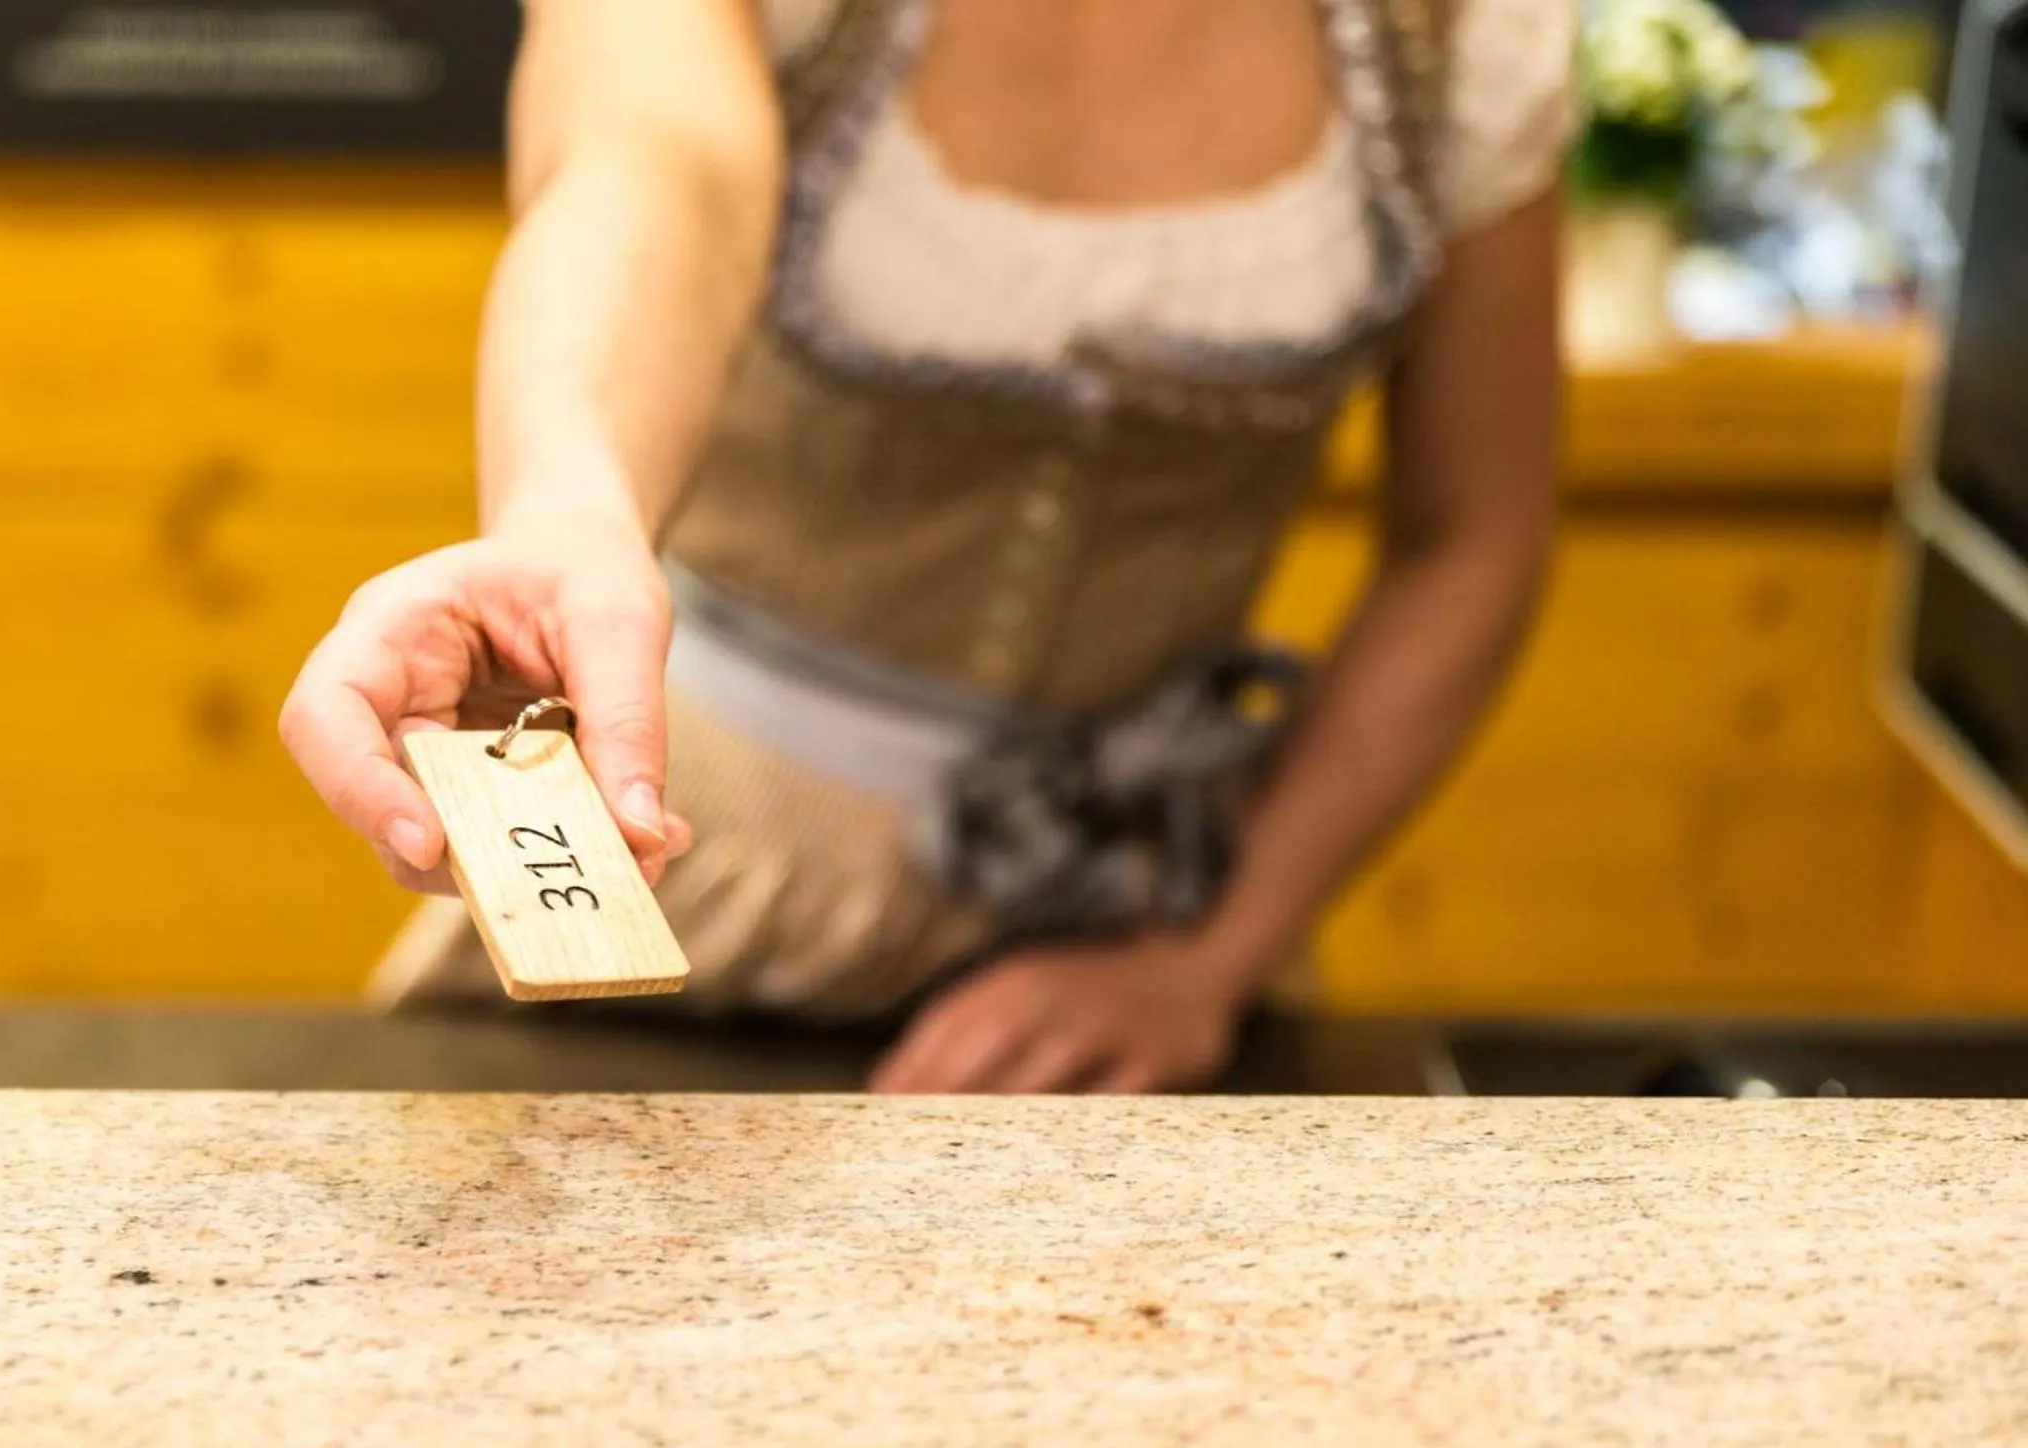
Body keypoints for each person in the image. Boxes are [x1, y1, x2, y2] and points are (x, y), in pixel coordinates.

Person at [280, 0, 1571, 1093]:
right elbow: (647, 159)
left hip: (1150, 910)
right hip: (686, 874)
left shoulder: (1459, 28)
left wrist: (1204, 960)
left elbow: (1472, 535)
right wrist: (566, 506)